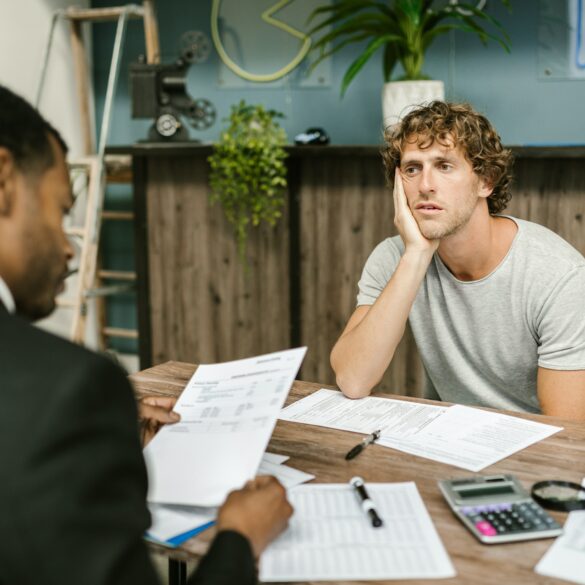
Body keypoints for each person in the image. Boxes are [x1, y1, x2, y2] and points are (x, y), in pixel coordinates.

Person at [0, 84, 292, 585]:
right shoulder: (69, 390)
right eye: (60, 211)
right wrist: (239, 538)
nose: (69, 249)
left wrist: (91, 440)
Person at [331, 101, 585, 420]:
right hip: (449, 441)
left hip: (532, 455)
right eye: (412, 169)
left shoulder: (559, 277)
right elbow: (353, 380)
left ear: (486, 181)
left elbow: (566, 434)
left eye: (444, 166)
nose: (425, 186)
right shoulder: (395, 257)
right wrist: (416, 256)